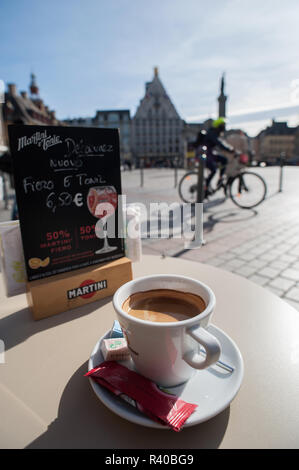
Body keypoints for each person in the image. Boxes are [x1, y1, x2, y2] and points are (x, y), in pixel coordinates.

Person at [195, 117, 234, 194]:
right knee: (214, 169)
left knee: (224, 160)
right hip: (204, 154)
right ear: (218, 126)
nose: (224, 127)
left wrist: (230, 148)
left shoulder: (216, 133)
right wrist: (229, 150)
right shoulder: (212, 133)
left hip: (209, 154)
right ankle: (206, 187)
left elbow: (222, 142)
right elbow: (219, 143)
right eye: (222, 125)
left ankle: (220, 179)